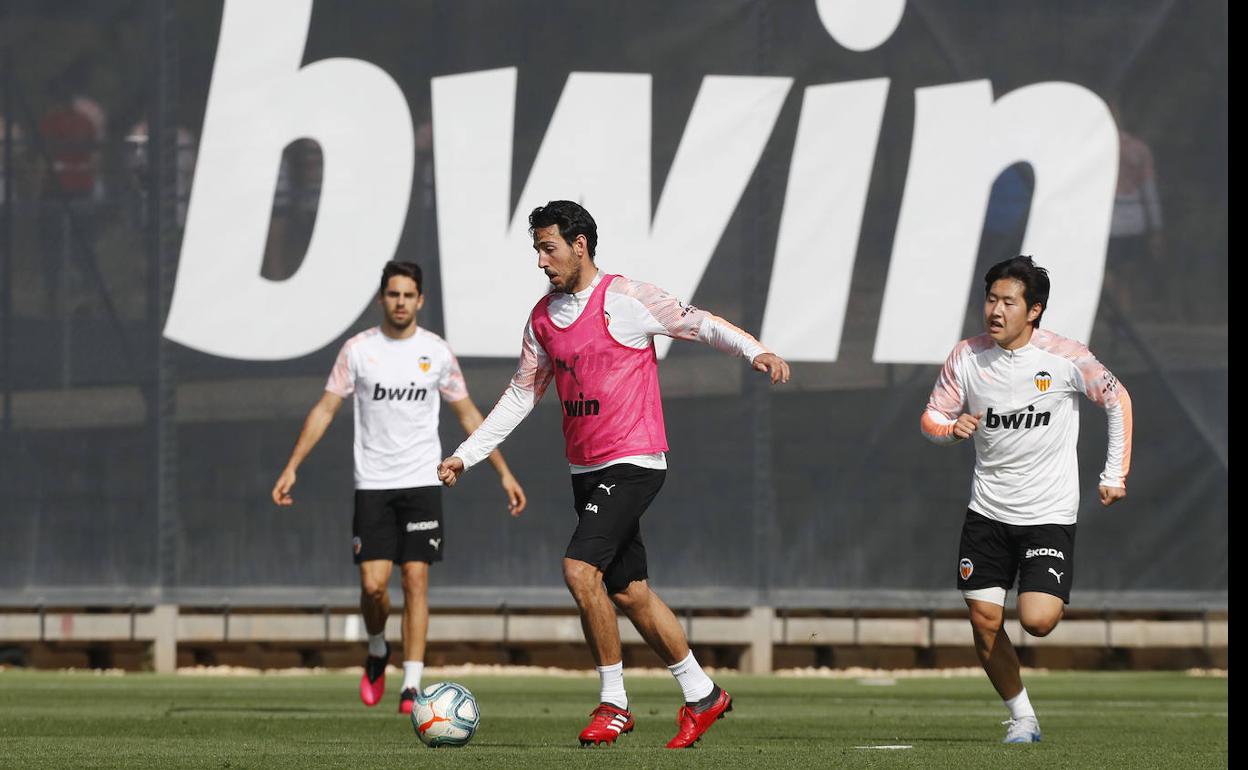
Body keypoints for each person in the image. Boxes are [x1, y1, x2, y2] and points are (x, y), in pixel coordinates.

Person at [437, 200, 790, 748]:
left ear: (580, 246)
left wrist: (755, 351)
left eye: (547, 247)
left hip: (634, 462)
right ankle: (702, 694)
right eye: (536, 248)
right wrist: (466, 454)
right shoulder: (541, 319)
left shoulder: (626, 299)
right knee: (630, 593)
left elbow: (699, 323)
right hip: (586, 471)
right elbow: (520, 395)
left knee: (581, 571)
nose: (540, 260)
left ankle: (614, 703)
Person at [272, 260, 527, 714]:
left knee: (416, 579)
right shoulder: (358, 351)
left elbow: (469, 415)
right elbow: (325, 410)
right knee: (374, 588)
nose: (401, 302)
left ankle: (411, 685)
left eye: (409, 295)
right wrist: (293, 465)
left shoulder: (437, 353)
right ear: (382, 299)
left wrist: (503, 472)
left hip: (422, 482)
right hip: (373, 484)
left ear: (420, 300)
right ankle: (375, 649)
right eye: (394, 294)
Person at [920, 255, 1133, 743]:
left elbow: (1118, 400)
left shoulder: (1066, 358)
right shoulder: (965, 358)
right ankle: (1023, 718)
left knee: (1037, 621)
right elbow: (932, 417)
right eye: (990, 299)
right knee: (984, 619)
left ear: (1033, 311)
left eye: (1008, 302)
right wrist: (953, 429)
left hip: (1048, 514)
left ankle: (1026, 699)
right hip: (987, 511)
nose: (995, 310)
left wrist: (1114, 472)